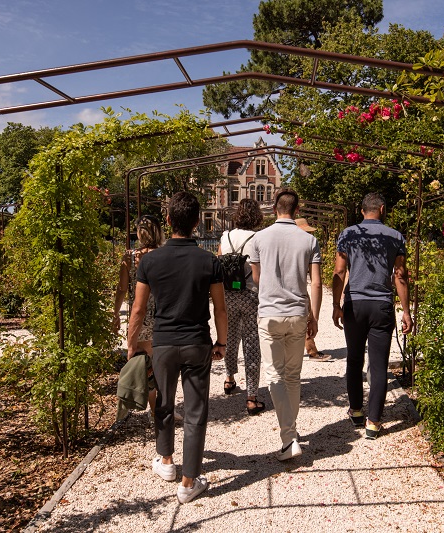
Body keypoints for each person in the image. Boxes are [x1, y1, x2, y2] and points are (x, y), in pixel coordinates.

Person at [128, 192, 227, 504]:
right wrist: (221, 342)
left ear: (168, 220)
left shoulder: (150, 261)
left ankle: (167, 461)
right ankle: (188, 482)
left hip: (164, 344)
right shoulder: (209, 261)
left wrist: (131, 345)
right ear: (197, 222)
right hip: (197, 341)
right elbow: (220, 309)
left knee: (164, 403)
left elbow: (138, 310)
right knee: (196, 411)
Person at [332, 192, 413, 440]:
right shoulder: (396, 236)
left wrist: (336, 305)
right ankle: (374, 422)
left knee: (354, 359)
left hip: (355, 304)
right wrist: (406, 310)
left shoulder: (348, 234)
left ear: (362, 211)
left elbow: (339, 271)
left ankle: (356, 410)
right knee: (378, 364)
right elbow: (400, 276)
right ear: (382, 208)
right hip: (381, 306)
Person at [249, 189, 321, 461]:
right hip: (297, 313)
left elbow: (256, 278)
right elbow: (314, 282)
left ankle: (288, 437)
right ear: (297, 209)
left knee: (275, 375)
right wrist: (314, 316)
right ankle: (291, 432)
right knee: (293, 375)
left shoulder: (259, 238)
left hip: (269, 313)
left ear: (274, 209)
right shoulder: (309, 240)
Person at [112, 215, 164, 419]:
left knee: (146, 366)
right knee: (160, 365)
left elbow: (121, 289)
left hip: (139, 316)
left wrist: (115, 313)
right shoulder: (163, 256)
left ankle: (153, 410)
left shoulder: (129, 257)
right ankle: (159, 409)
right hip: (160, 316)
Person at [217, 198, 266, 416]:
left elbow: (218, 264)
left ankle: (229, 379)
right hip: (250, 295)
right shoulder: (258, 238)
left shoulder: (225, 236)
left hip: (228, 295)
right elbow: (258, 273)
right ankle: (252, 396)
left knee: (230, 337)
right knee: (251, 341)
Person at [295, 217, 331, 362]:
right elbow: (316, 281)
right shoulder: (306, 246)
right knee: (307, 318)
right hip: (300, 290)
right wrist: (315, 318)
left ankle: (311, 349)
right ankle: (312, 351)